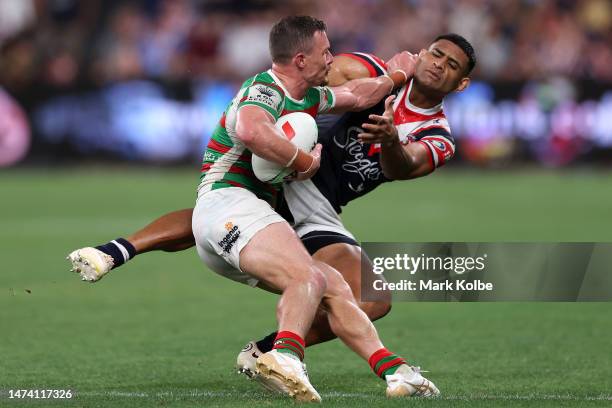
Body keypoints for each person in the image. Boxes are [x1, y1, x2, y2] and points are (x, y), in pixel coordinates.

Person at [69, 31, 476, 400]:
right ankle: (117, 250)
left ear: (461, 84)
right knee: (221, 208)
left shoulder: (437, 135)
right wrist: (389, 78)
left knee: (373, 297)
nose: (439, 63)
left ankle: (267, 350)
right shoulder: (372, 67)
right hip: (288, 167)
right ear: (420, 53)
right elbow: (326, 80)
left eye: (451, 65)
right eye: (436, 53)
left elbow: (403, 166)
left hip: (321, 205)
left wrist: (390, 139)